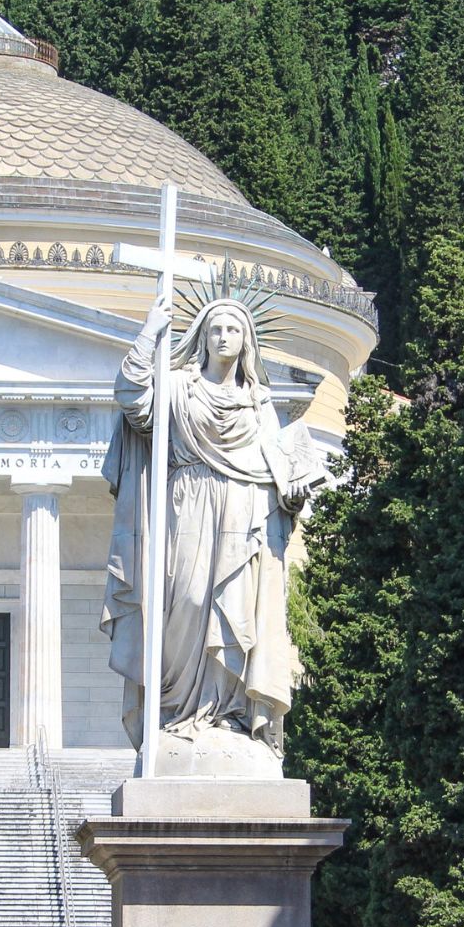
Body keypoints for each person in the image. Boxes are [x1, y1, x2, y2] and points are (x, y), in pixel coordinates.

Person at [101, 297, 328, 776]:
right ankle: (176, 712)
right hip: (189, 507)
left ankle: (227, 717)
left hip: (245, 517)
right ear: (201, 338)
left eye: (234, 330)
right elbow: (132, 398)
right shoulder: (179, 389)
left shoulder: (260, 405)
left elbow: (278, 476)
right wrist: (150, 332)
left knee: (236, 619)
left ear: (247, 341)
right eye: (216, 329)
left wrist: (292, 494)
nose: (224, 337)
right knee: (182, 603)